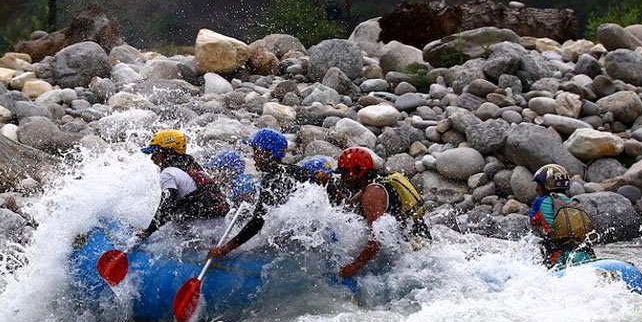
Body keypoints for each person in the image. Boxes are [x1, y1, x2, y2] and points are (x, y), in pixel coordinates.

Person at [207, 128, 316, 259]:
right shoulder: (297, 170)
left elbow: (257, 222)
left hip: (299, 242)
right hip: (311, 235)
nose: (253, 156)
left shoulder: (272, 179)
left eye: (255, 151)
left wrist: (225, 249)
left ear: (267, 153)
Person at [332, 146, 430, 278]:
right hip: (420, 239)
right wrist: (330, 187)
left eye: (344, 173)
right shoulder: (375, 182)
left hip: (415, 251)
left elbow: (376, 240)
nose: (342, 178)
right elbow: (349, 205)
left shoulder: (372, 194)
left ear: (357, 171)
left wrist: (353, 267)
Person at [136, 130, 229, 239]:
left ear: (168, 152)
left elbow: (167, 207)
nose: (152, 158)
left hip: (199, 235)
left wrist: (148, 232)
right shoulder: (196, 169)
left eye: (156, 153)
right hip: (221, 231)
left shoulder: (168, 173)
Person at [529, 163, 596, 268]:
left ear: (547, 185)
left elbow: (533, 223)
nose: (536, 189)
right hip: (585, 254)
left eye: (539, 184)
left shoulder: (539, 202)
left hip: (559, 258)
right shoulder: (575, 203)